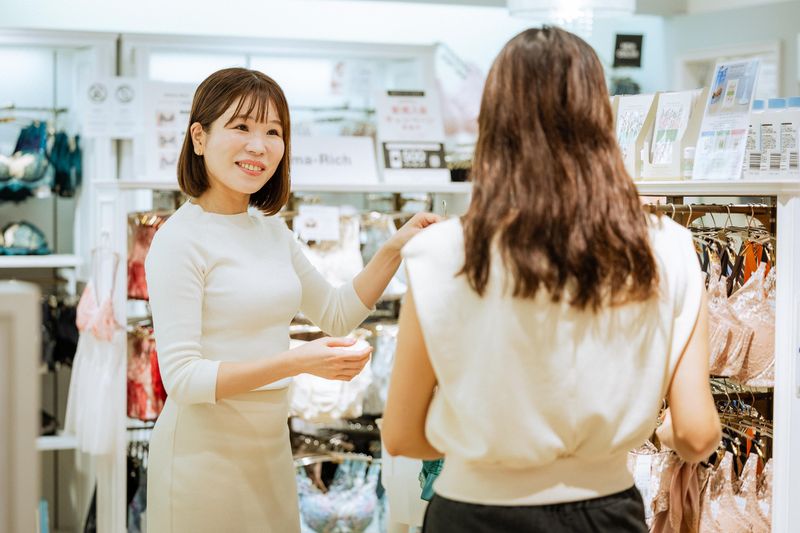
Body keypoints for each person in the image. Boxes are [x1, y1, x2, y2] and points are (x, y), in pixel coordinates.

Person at [381, 27, 721, 533]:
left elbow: (402, 435)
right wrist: (658, 433)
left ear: (492, 124)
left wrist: (483, 441)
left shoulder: (441, 251)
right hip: (606, 511)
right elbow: (697, 434)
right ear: (601, 118)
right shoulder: (666, 245)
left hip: (471, 509)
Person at [144, 67, 439, 533]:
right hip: (201, 460)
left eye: (273, 131)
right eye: (241, 127)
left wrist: (394, 248)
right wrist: (298, 360)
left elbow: (338, 314)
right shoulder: (179, 240)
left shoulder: (271, 231)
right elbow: (183, 379)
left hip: (270, 451)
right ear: (199, 138)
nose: (258, 146)